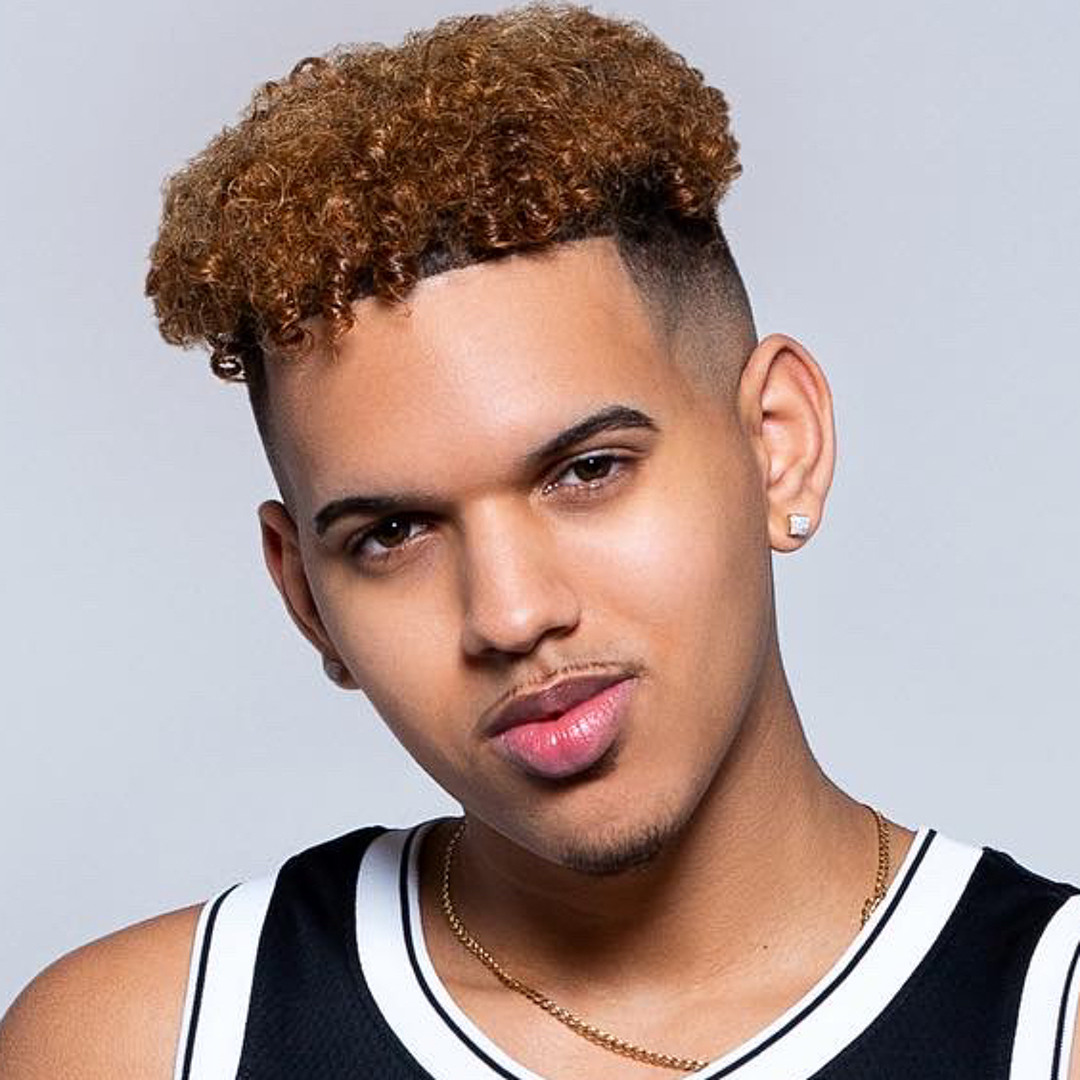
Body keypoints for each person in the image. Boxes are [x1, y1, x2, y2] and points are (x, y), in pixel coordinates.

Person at [1, 5, 1077, 1078]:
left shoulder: (1054, 1023)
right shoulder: (140, 1044)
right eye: (392, 533)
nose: (512, 614)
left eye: (587, 471)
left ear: (778, 444)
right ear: (306, 599)